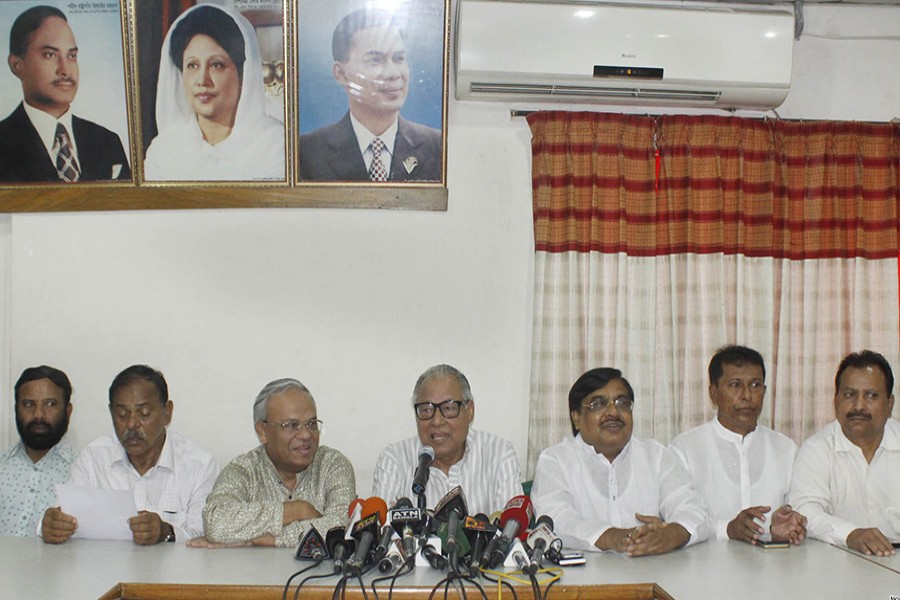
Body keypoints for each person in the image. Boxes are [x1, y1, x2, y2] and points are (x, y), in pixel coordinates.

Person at [531, 368, 708, 556]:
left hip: (653, 575)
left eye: (622, 403)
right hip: (582, 579)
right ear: (576, 417)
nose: (613, 412)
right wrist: (614, 537)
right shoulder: (555, 460)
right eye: (598, 404)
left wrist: (669, 535)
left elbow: (694, 510)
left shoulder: (656, 456)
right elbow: (556, 519)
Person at [40, 364, 217, 545]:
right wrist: (50, 525)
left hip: (172, 572)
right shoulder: (93, 458)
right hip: (103, 571)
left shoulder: (199, 465)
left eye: (144, 413)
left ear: (167, 413)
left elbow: (205, 535)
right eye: (122, 414)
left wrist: (166, 532)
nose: (132, 424)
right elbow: (62, 515)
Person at [194, 378, 355, 548]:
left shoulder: (332, 465)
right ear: (263, 432)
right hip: (255, 574)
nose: (306, 435)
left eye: (311, 424)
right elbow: (215, 523)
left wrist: (277, 539)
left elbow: (341, 527)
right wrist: (296, 510)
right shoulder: (244, 470)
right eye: (292, 425)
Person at [670, 345, 806, 545]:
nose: (747, 395)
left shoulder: (786, 449)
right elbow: (679, 520)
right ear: (713, 393)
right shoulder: (685, 450)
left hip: (773, 569)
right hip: (705, 570)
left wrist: (784, 526)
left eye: (755, 385)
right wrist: (727, 529)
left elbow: (798, 512)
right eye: (735, 385)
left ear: (764, 391)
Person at [298, 7, 442, 182]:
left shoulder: (437, 146)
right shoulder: (306, 152)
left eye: (399, 59)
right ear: (341, 74)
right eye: (375, 60)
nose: (393, 73)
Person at [143, 4, 284, 181]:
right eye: (192, 65)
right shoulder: (163, 150)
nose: (202, 80)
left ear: (243, 74)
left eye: (216, 65)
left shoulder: (275, 145)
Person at [0, 5, 130, 182]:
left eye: (71, 56)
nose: (65, 70)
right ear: (17, 65)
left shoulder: (107, 141)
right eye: (50, 55)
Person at [789, 350, 899, 556]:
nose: (859, 406)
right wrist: (851, 534)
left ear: (889, 403)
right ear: (836, 400)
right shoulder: (817, 449)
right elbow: (805, 511)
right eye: (850, 395)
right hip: (838, 560)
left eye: (871, 396)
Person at [372, 364, 521, 515]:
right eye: (426, 409)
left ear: (469, 411)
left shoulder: (499, 454)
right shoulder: (395, 459)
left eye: (448, 408)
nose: (436, 421)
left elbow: (512, 529)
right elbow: (380, 529)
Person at [0, 366, 76, 536]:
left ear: (68, 411)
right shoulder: (2, 467)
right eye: (28, 404)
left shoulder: (82, 473)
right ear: (16, 409)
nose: (38, 415)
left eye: (50, 404)